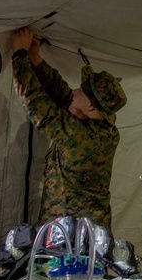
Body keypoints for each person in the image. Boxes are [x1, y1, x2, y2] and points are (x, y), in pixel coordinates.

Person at [11, 27, 127, 227]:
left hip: (70, 234)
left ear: (91, 106)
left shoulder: (80, 137)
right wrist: (35, 58)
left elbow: (37, 106)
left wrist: (19, 55)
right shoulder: (104, 129)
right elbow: (65, 96)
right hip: (86, 229)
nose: (75, 89)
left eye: (81, 90)